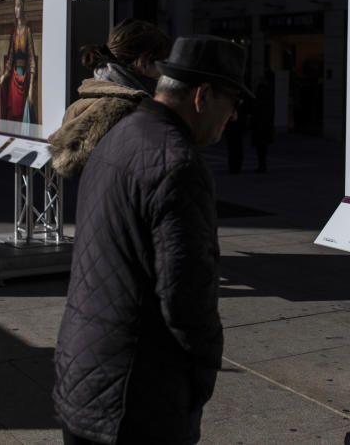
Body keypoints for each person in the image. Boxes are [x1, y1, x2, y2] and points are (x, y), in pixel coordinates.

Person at [54, 35, 251, 445]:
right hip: (137, 394)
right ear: (202, 96)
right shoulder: (178, 165)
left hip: (85, 370)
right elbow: (187, 298)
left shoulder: (117, 136)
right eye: (233, 101)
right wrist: (200, 380)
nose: (233, 116)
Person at [49, 18, 171, 179]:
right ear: (144, 62)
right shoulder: (132, 110)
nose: (164, 72)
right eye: (162, 62)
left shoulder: (87, 98)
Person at [0, 0, 38, 123]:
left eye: (19, 5)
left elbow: (32, 61)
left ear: (23, 7)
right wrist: (3, 76)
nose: (17, 9)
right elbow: (10, 60)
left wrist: (31, 88)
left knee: (23, 116)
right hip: (14, 79)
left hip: (24, 79)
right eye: (15, 5)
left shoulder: (27, 30)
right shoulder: (14, 33)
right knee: (12, 115)